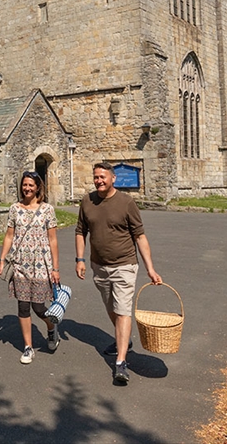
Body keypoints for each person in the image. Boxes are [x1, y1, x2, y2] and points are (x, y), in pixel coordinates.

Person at [74, 162, 162, 385]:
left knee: (123, 310)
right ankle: (124, 340)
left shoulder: (126, 202)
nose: (99, 181)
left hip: (124, 266)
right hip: (99, 266)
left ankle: (121, 362)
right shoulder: (87, 201)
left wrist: (150, 268)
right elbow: (80, 231)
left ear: (113, 178)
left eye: (103, 177)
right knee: (111, 308)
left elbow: (140, 236)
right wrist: (80, 259)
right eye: (96, 177)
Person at [0, 171, 61, 364]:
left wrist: (55, 268)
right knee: (23, 306)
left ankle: (51, 328)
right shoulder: (14, 209)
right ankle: (28, 347)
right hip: (20, 265)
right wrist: (2, 260)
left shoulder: (47, 209)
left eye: (31, 185)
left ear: (38, 187)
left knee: (39, 307)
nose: (27, 188)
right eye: (25, 185)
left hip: (42, 265)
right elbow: (9, 235)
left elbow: (53, 239)